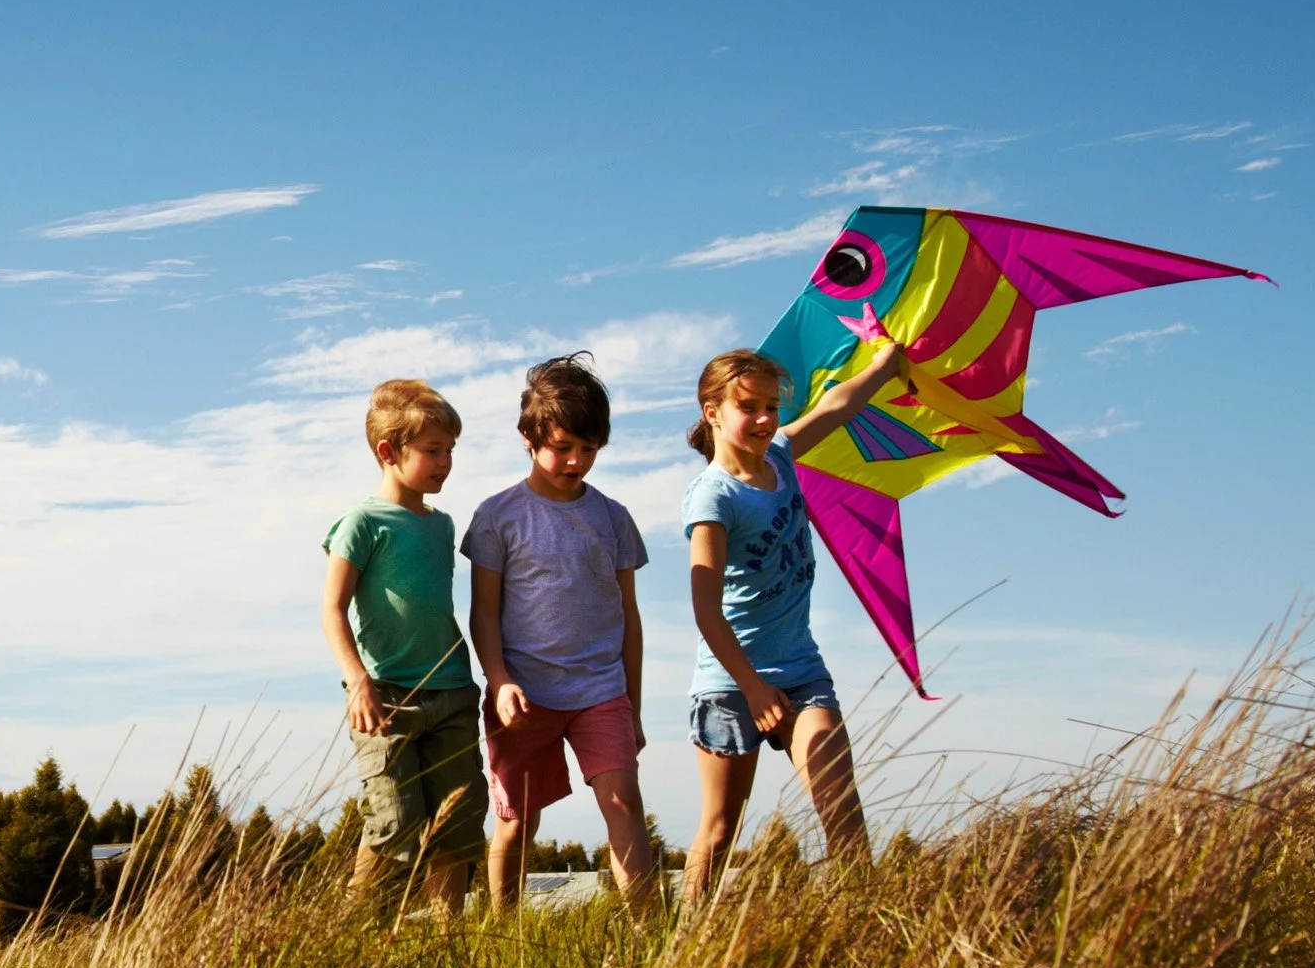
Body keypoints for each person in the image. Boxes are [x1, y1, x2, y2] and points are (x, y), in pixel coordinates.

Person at [682, 341, 908, 902]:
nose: (764, 419)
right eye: (748, 407)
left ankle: (861, 926)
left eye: (771, 407)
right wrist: (753, 687)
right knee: (720, 829)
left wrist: (883, 367)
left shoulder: (780, 457)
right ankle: (685, 937)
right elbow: (706, 609)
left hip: (802, 672)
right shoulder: (713, 497)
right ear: (713, 412)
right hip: (731, 684)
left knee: (842, 808)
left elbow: (836, 407)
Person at [462, 355, 656, 915]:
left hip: (601, 690)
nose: (576, 461)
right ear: (528, 438)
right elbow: (483, 614)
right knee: (517, 820)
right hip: (523, 695)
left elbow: (629, 616)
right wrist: (499, 681)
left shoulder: (614, 518)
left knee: (624, 801)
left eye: (589, 449)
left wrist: (633, 706)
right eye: (563, 447)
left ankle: (651, 933)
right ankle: (502, 931)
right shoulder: (497, 516)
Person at [322, 379, 487, 915]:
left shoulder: (442, 526)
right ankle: (350, 932)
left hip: (453, 694)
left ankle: (447, 939)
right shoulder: (362, 523)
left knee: (457, 825)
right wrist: (358, 681)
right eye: (433, 451)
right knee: (393, 823)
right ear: (388, 452)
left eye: (451, 450)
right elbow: (331, 610)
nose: (446, 463)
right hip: (386, 700)